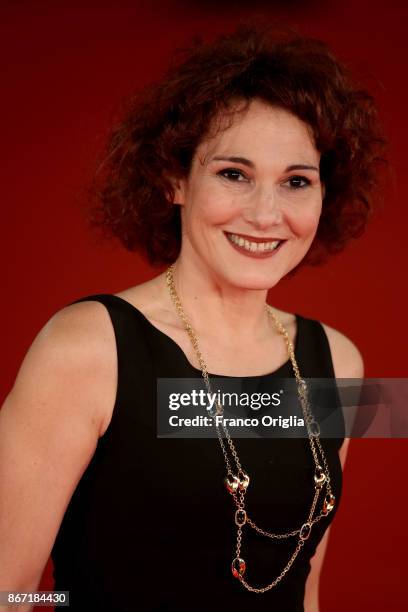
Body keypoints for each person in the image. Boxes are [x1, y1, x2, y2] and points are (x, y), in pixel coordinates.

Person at [0, 22, 386, 612]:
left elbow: (305, 588)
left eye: (296, 182)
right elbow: (9, 589)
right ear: (175, 178)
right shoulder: (86, 347)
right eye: (234, 173)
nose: (265, 214)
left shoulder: (341, 363)